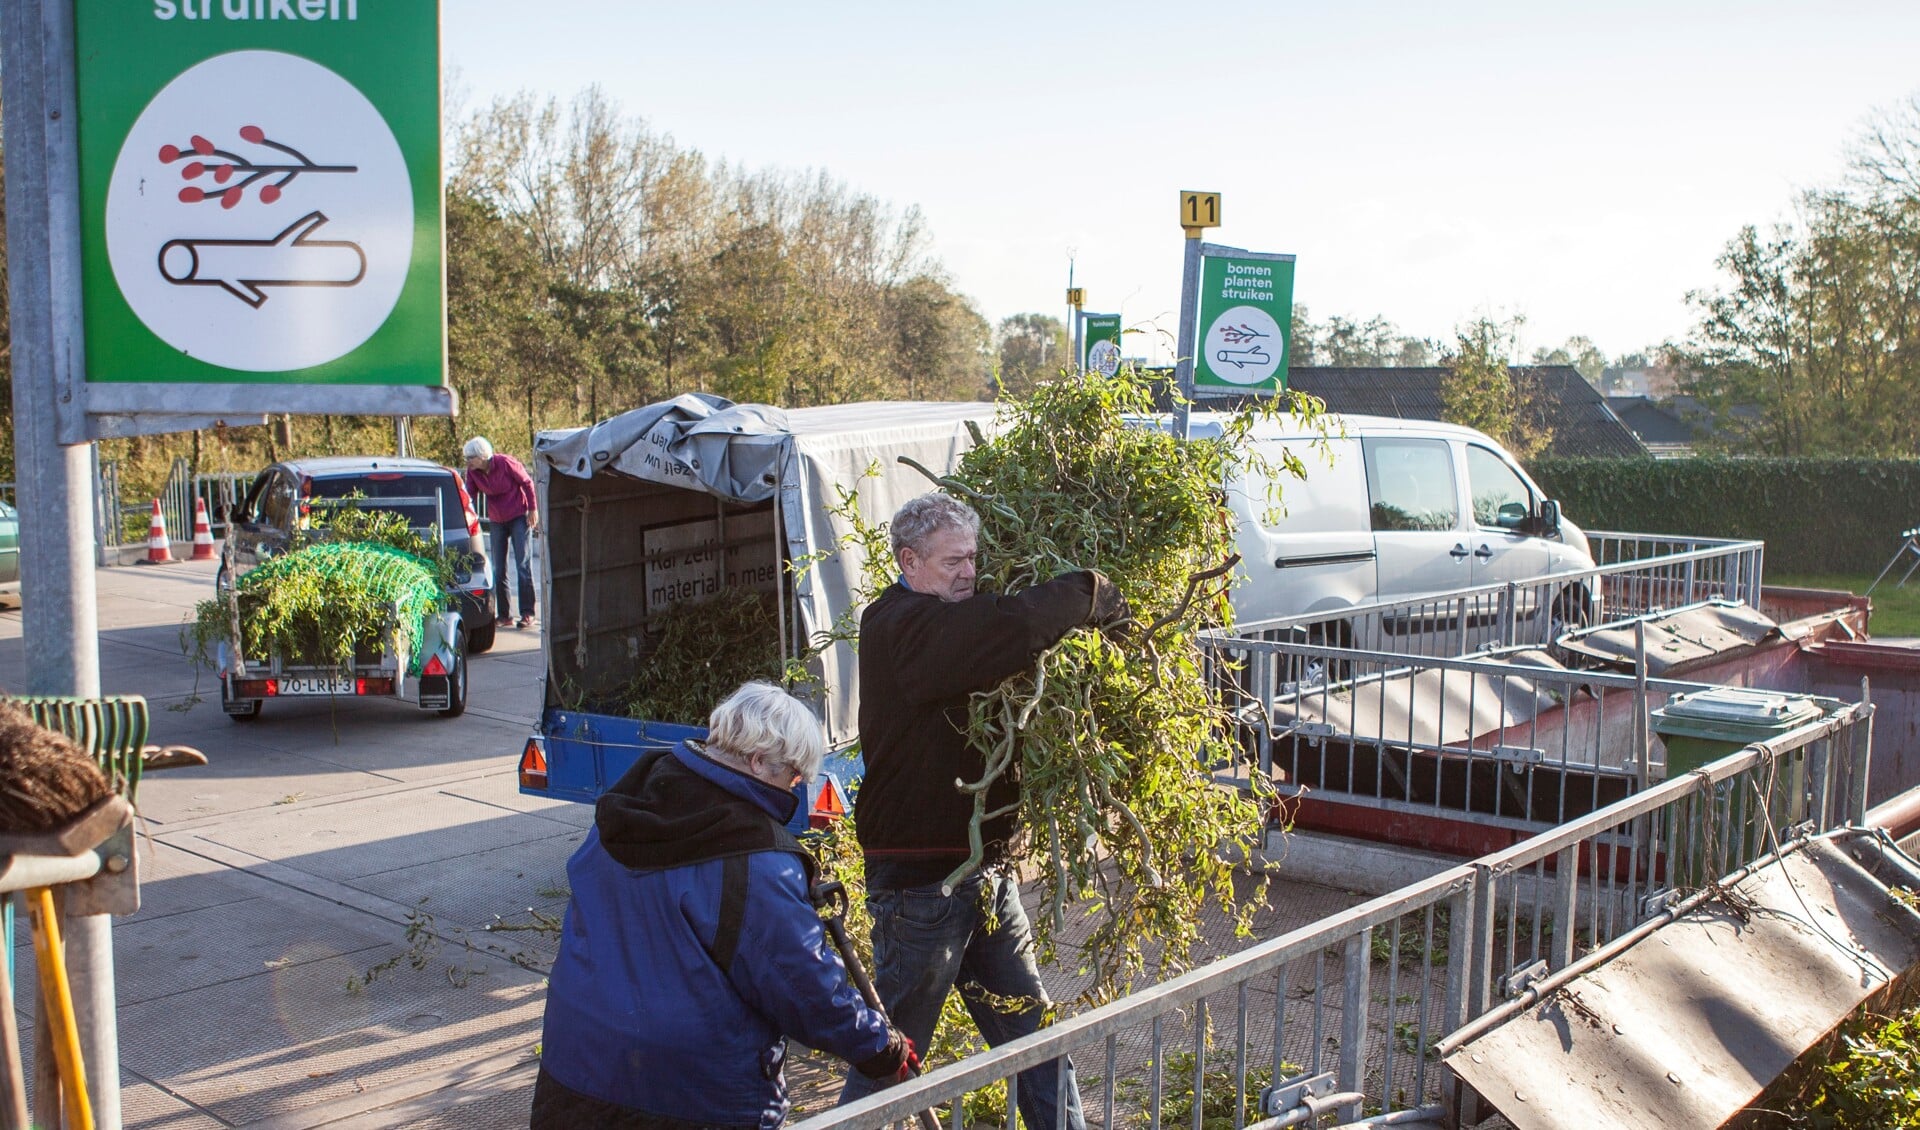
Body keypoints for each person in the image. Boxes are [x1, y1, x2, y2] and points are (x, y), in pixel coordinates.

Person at [838, 493, 1127, 1130]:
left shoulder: (945, 615)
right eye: (953, 562)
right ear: (909, 561)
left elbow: (997, 632)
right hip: (922, 889)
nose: (969, 572)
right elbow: (1004, 630)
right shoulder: (899, 624)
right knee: (888, 1061)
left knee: (1035, 1039)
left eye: (973, 559)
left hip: (985, 876)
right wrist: (1084, 593)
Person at [533, 681, 917, 1130]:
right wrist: (880, 1048)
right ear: (758, 761)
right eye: (793, 776)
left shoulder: (625, 806)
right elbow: (804, 985)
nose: (794, 790)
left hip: (575, 1069)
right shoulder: (756, 858)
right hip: (690, 1096)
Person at [462, 436, 539, 629]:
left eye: (470, 457)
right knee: (499, 567)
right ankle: (504, 615)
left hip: (519, 516)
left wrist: (532, 509)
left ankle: (528, 613)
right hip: (497, 520)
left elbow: (527, 483)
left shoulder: (505, 463)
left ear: (481, 456)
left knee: (522, 564)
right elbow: (470, 496)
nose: (468, 462)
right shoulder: (473, 473)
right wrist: (465, 516)